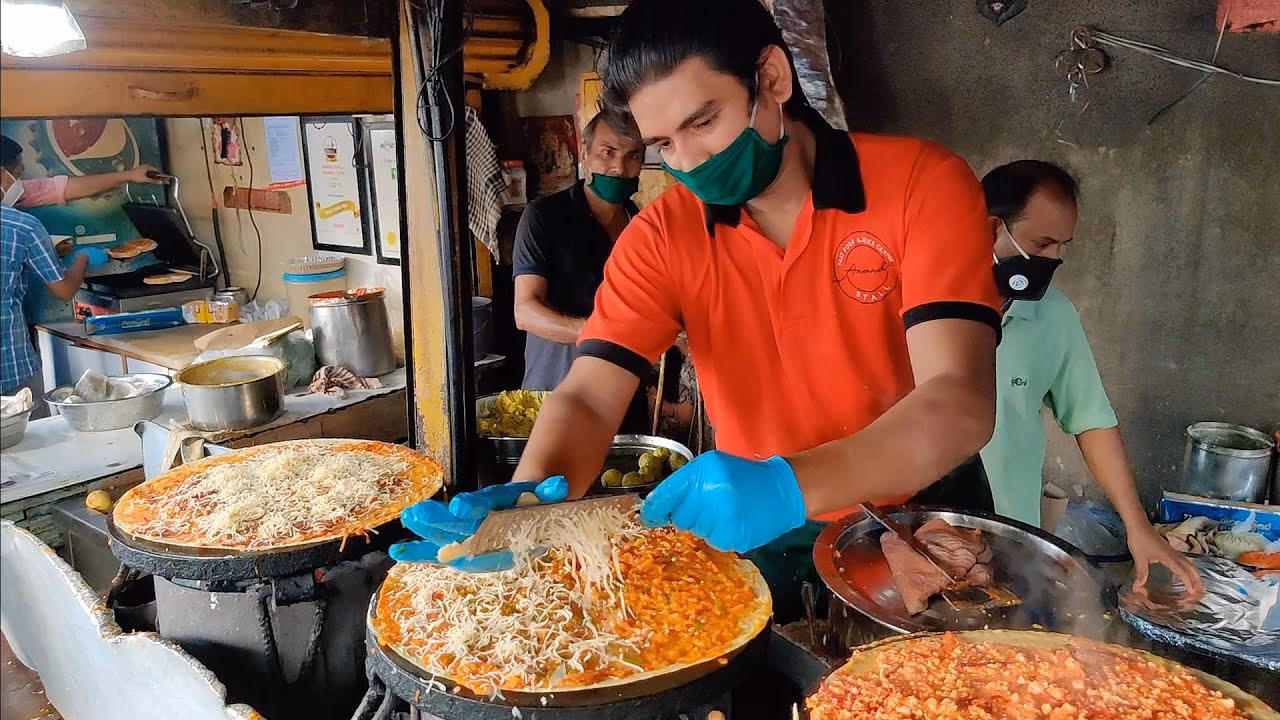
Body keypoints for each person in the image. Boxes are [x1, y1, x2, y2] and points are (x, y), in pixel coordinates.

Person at [393, 0, 1002, 616]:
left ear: (770, 79)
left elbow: (959, 400)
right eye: (664, 144)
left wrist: (791, 484)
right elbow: (587, 395)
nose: (691, 162)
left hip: (924, 528)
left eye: (704, 122)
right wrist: (528, 506)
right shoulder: (663, 235)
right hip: (761, 535)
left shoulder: (919, 184)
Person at [979, 160, 1203, 595]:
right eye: (1041, 244)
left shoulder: (1053, 316)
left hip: (1012, 545)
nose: (1054, 259)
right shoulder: (924, 308)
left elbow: (1091, 419)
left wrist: (1138, 528)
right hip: (919, 537)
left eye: (1062, 246)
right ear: (991, 230)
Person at [512, 112, 644, 391]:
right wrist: (597, 331)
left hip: (622, 395)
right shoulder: (544, 217)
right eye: (608, 152)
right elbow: (525, 311)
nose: (619, 168)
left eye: (633, 156)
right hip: (554, 392)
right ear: (584, 154)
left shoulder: (643, 228)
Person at [1, 134, 164, 209]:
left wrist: (129, 175)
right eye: (15, 175)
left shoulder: (17, 195)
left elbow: (61, 188)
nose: (19, 180)